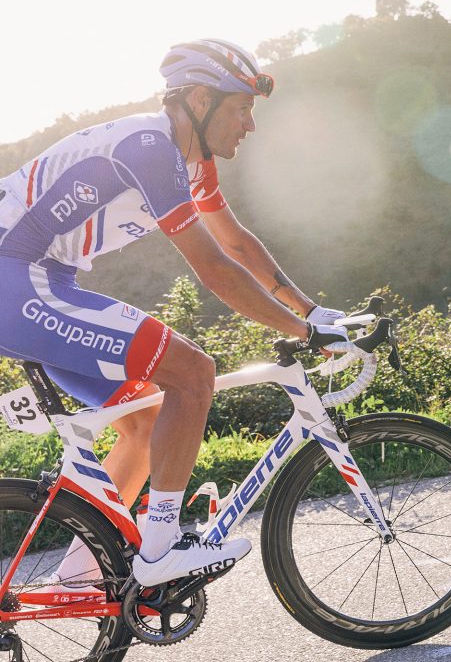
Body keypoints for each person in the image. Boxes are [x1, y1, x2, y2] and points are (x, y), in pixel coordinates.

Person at [0, 39, 347, 589]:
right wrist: (304, 333)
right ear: (202, 100)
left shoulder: (193, 163)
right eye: (242, 109)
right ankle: (159, 548)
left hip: (40, 280)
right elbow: (212, 269)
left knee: (141, 420)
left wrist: (313, 311)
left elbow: (235, 243)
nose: (249, 126)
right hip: (14, 276)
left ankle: (87, 579)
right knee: (191, 372)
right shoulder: (149, 148)